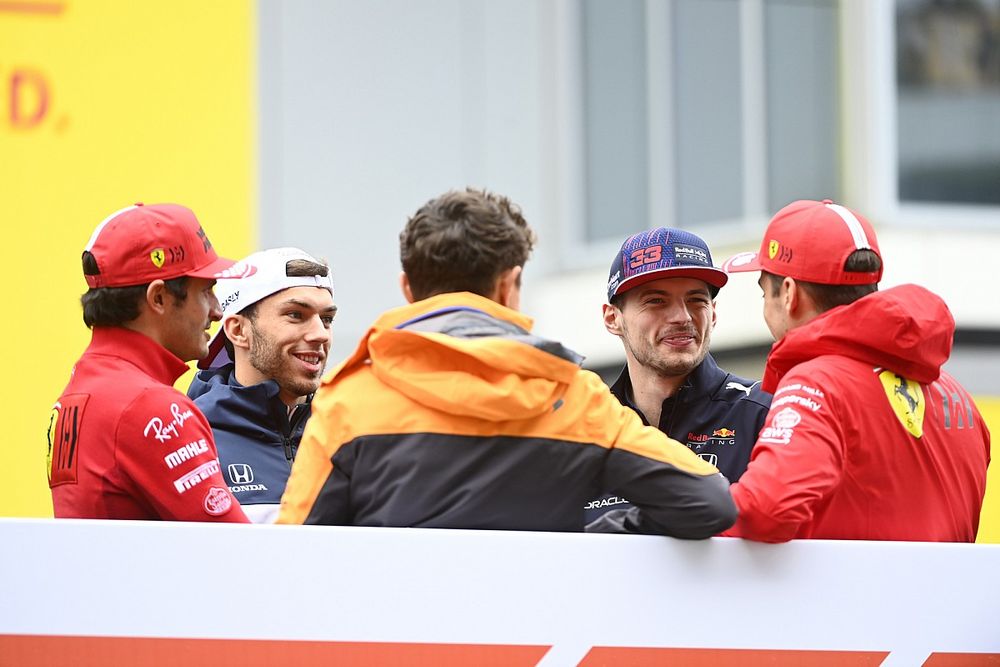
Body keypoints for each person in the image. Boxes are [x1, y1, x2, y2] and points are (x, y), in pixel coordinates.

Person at [277, 188, 736, 535]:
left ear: (407, 289)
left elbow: (292, 554)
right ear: (508, 285)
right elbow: (709, 501)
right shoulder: (576, 399)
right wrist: (596, 539)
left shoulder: (348, 400)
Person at [721, 198, 990, 542]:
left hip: (852, 597)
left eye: (764, 295)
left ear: (788, 294)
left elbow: (762, 512)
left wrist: (671, 512)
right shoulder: (957, 395)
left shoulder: (815, 384)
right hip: (951, 596)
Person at [48, 203, 251, 522]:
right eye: (206, 291)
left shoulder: (83, 384)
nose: (217, 310)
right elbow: (237, 552)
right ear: (159, 298)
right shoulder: (153, 406)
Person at [585, 228, 772, 527]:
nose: (682, 317)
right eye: (657, 301)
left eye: (696, 300)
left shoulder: (765, 414)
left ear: (713, 314)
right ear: (612, 318)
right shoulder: (583, 428)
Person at [188, 247, 336, 523]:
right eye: (295, 315)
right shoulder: (190, 439)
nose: (320, 334)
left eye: (326, 319)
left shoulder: (349, 432)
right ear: (238, 331)